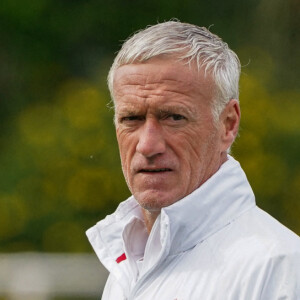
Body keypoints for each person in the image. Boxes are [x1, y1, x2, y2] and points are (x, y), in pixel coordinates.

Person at [86, 21, 300, 299]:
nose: (148, 145)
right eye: (131, 119)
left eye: (174, 117)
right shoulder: (128, 263)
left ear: (228, 124)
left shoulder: (280, 269)